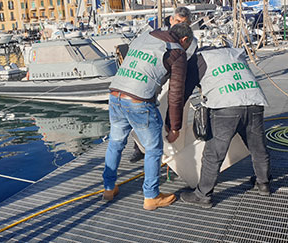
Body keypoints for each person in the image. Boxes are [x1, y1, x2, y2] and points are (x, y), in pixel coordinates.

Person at [102, 23, 194, 211]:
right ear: (184, 40)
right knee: (153, 149)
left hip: (115, 94)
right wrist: (174, 127)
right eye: (187, 45)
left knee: (115, 143)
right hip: (139, 101)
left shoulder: (147, 35)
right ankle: (151, 197)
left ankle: (108, 188)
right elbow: (176, 94)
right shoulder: (177, 53)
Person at [180, 47, 271, 209]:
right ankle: (263, 183)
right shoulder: (233, 53)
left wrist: (172, 123)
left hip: (226, 106)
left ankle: (203, 195)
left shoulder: (199, 59)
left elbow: (184, 92)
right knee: (258, 147)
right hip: (254, 100)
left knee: (214, 153)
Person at [129, 6, 194, 162]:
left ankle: (172, 149)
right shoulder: (158, 34)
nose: (180, 25)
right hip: (156, 81)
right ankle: (139, 148)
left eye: (184, 23)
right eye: (178, 21)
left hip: (177, 80)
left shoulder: (192, 40)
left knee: (174, 114)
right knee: (146, 117)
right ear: (171, 20)